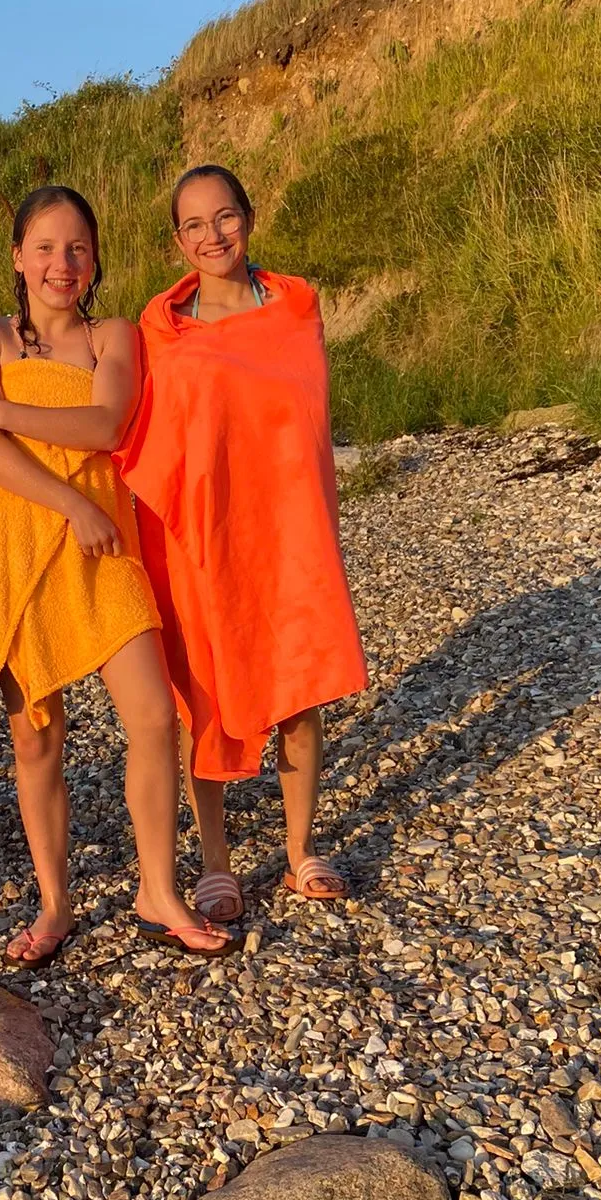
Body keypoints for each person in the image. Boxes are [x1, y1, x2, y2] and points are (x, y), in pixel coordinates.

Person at [0, 185, 227, 963]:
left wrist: (2, 410)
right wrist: (68, 500)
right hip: (18, 545)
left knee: (152, 718)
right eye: (44, 248)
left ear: (94, 258)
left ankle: (157, 890)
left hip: (105, 547)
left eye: (76, 249)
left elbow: (105, 424)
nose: (60, 264)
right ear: (17, 258)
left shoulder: (115, 336)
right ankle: (55, 901)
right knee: (38, 740)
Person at [116, 165, 368, 924]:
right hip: (202, 530)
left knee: (298, 684)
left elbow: (306, 416)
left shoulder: (294, 306)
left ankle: (298, 851)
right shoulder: (160, 326)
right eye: (194, 225)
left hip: (287, 525)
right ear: (177, 239)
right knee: (208, 692)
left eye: (224, 218)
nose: (212, 236)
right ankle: (217, 862)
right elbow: (147, 428)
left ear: (248, 219)